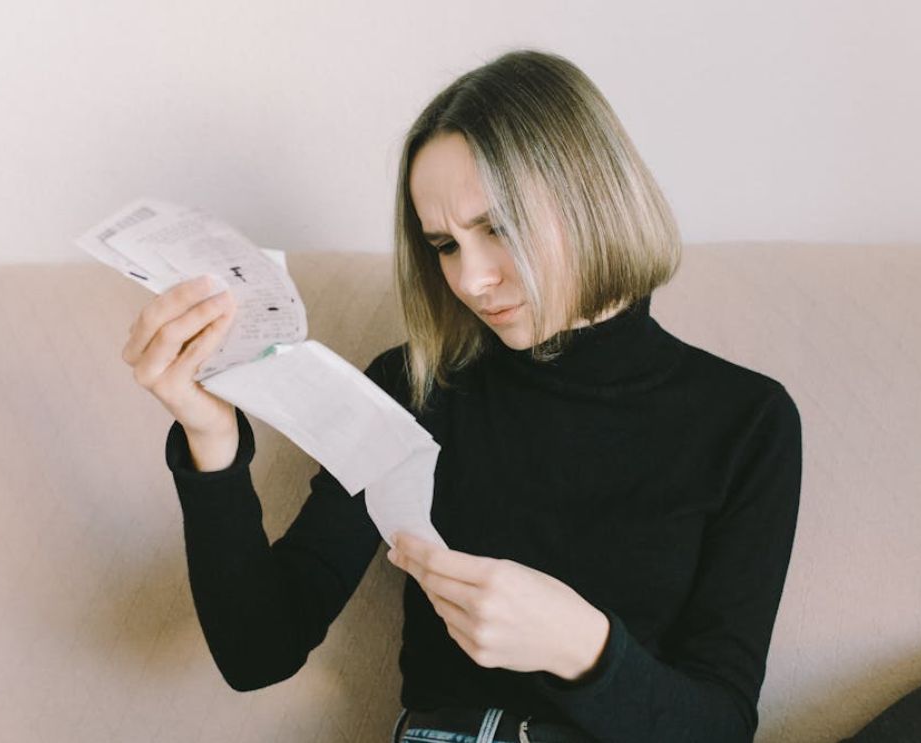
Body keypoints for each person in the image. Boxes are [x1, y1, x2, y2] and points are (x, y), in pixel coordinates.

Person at [121, 48, 802, 743]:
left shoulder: (745, 421)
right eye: (444, 245)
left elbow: (720, 725)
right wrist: (211, 441)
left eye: (498, 229)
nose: (472, 279)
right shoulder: (413, 388)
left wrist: (584, 648)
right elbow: (258, 652)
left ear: (591, 199)